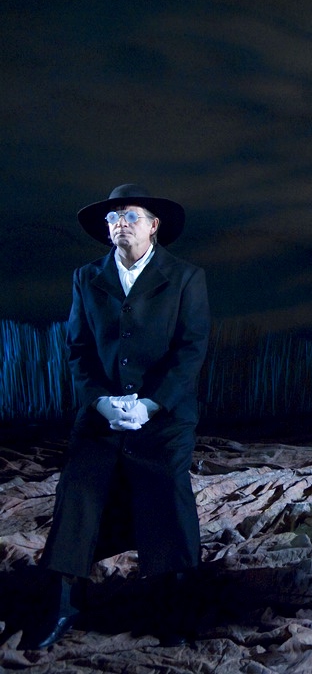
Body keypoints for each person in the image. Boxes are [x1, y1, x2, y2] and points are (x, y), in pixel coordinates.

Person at [25, 184, 210, 649]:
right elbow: (78, 348)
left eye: (130, 215)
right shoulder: (87, 277)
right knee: (79, 485)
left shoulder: (186, 277)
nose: (120, 223)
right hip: (102, 409)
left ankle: (172, 602)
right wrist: (101, 402)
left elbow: (191, 349)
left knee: (166, 486)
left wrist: (150, 403)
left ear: (154, 225)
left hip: (164, 413)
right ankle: (62, 602)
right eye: (113, 218)